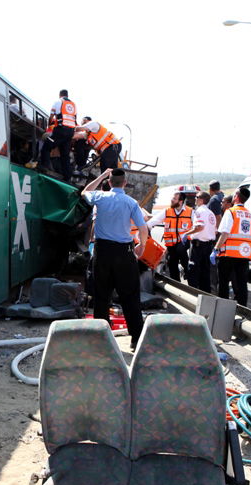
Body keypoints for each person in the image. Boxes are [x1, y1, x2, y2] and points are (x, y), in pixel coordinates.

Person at [81, 168, 148, 349]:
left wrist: (102, 175)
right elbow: (143, 228)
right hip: (124, 252)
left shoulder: (100, 197)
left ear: (109, 182)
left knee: (102, 295)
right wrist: (142, 246)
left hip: (102, 252)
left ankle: (101, 339)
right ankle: (136, 338)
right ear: (125, 183)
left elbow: (85, 191)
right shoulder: (131, 202)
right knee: (130, 296)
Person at [213, 187, 251, 306]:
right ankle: (242, 309)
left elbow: (225, 233)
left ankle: (222, 308)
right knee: (242, 284)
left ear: (236, 197)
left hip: (228, 254)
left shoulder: (231, 212)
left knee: (223, 283)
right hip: (244, 255)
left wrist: (216, 249)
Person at [146, 191, 192, 282]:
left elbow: (197, 226)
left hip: (183, 242)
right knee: (172, 263)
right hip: (171, 244)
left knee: (181, 250)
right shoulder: (167, 211)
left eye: (174, 199)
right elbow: (152, 222)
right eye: (172, 198)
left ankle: (188, 272)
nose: (172, 200)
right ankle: (176, 283)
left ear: (180, 202)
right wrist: (146, 228)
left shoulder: (190, 212)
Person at [181, 191, 217, 292]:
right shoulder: (211, 213)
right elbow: (214, 230)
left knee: (193, 270)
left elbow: (199, 227)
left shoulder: (199, 211)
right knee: (205, 272)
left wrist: (187, 233)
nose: (195, 199)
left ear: (201, 200)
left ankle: (193, 293)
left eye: (196, 197)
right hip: (208, 245)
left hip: (198, 246)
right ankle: (205, 294)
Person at [40, 89, 77, 180]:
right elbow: (74, 119)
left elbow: (52, 115)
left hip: (61, 130)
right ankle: (67, 177)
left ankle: (44, 167)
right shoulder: (73, 105)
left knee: (46, 146)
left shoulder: (58, 101)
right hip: (70, 132)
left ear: (60, 95)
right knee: (65, 155)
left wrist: (49, 125)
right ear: (67, 95)